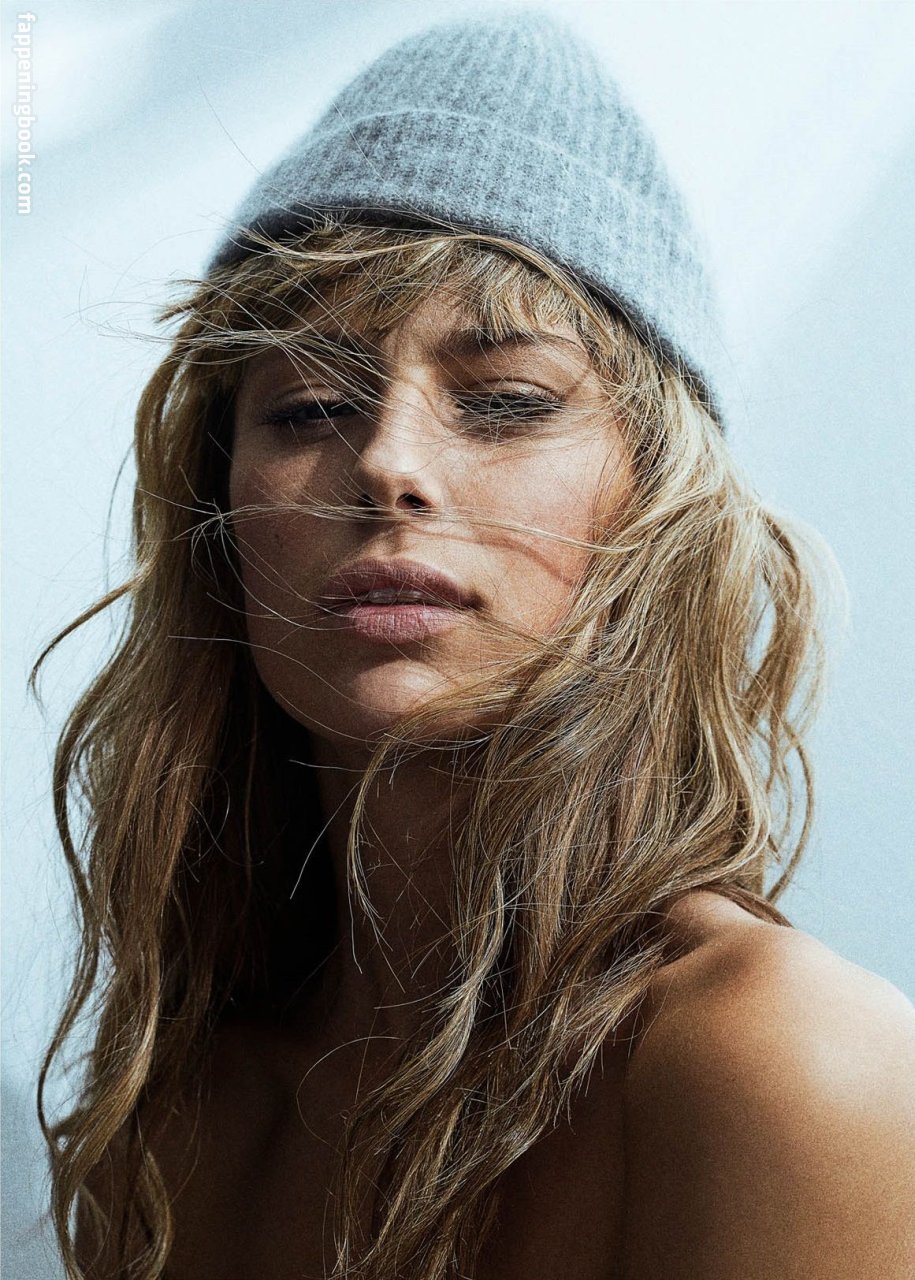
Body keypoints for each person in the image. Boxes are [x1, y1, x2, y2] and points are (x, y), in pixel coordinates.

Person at [34, 12, 915, 1280]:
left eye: (505, 400)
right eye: (310, 406)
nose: (388, 463)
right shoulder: (180, 1108)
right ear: (217, 513)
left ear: (655, 506)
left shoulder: (773, 1060)